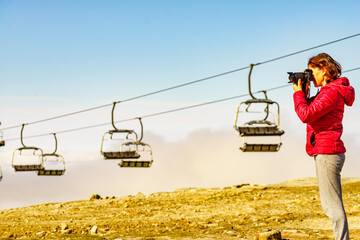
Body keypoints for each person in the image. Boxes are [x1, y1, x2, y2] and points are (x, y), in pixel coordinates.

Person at [292, 53, 355, 240]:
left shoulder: (331, 92)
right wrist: (303, 90)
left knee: (332, 206)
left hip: (328, 153)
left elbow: (305, 114)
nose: (310, 75)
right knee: (330, 205)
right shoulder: (326, 92)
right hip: (326, 151)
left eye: (312, 71)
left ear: (325, 70)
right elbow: (308, 108)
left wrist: (297, 93)